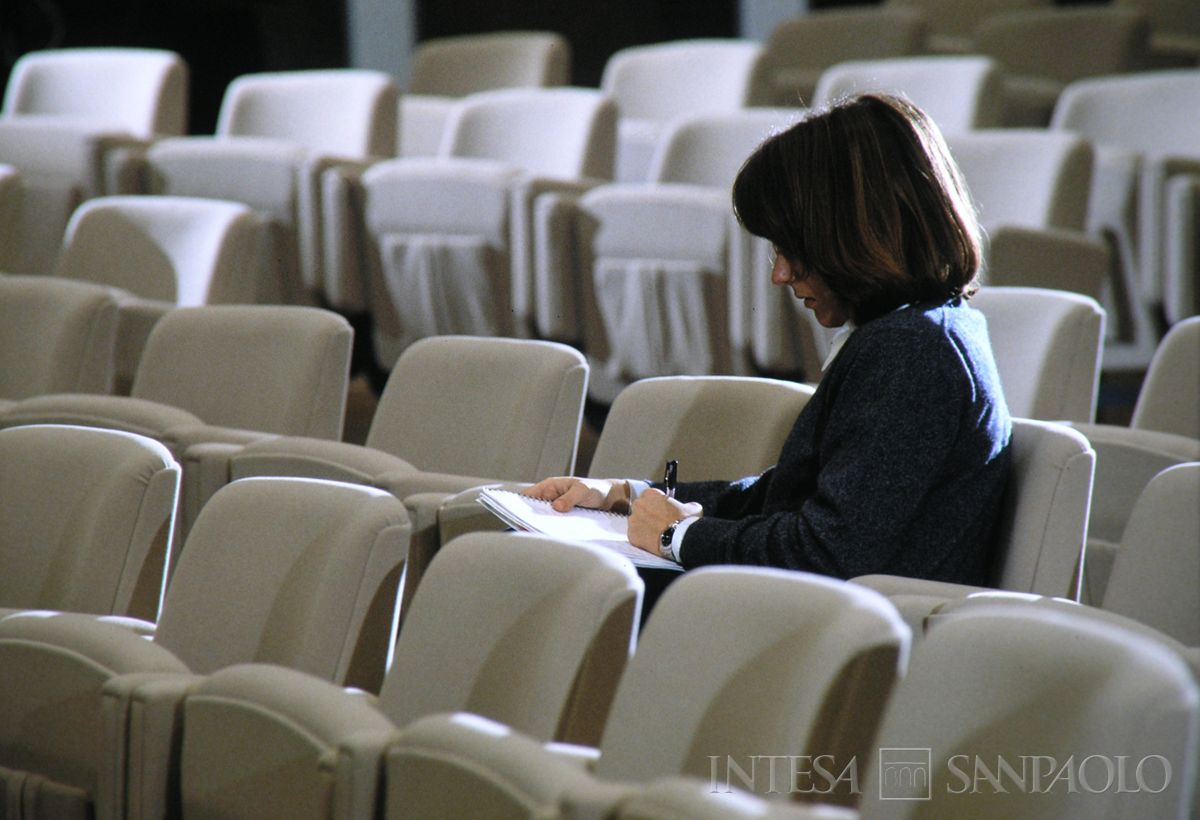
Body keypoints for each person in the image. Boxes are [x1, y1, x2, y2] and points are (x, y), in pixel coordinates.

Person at [524, 92, 1012, 585]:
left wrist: (677, 537)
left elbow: (829, 552)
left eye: (794, 249)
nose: (780, 274)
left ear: (857, 236)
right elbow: (785, 498)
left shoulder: (913, 352)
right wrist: (621, 498)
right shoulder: (914, 335)